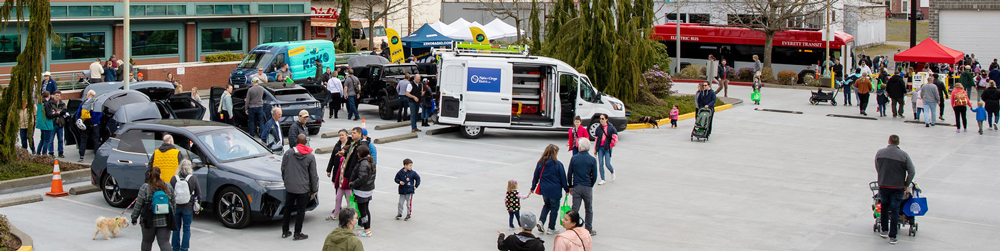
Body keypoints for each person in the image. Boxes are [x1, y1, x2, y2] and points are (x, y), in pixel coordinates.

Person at [875, 135, 915, 245]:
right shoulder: (904, 155)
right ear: (898, 143)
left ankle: (884, 230)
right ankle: (893, 236)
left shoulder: (880, 153)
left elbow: (878, 167)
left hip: (883, 184)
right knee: (895, 210)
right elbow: (912, 171)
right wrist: (906, 184)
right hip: (897, 187)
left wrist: (882, 176)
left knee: (884, 206)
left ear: (888, 141)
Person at [280, 134, 318, 241]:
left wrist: (286, 182)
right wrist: (314, 189)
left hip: (290, 187)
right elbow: (313, 175)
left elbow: (283, 169)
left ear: (297, 141)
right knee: (301, 211)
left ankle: (285, 230)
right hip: (303, 188)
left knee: (287, 208)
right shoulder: (310, 156)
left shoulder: (288, 153)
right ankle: (297, 233)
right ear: (305, 142)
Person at [130, 167, 176, 251]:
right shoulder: (168, 186)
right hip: (165, 220)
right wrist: (172, 216)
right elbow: (173, 203)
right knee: (164, 242)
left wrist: (134, 218)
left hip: (148, 220)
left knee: (147, 242)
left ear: (149, 175)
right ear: (160, 175)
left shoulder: (145, 188)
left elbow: (138, 204)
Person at [529, 144, 568, 235]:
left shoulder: (540, 163)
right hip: (555, 190)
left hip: (544, 190)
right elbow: (563, 178)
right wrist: (566, 189)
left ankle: (541, 221)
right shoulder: (558, 164)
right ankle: (551, 227)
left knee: (546, 205)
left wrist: (532, 188)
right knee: (554, 208)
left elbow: (535, 177)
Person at [170, 160, 202, 251]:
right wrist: (198, 207)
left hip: (176, 207)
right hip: (188, 207)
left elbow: (170, 193)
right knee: (186, 229)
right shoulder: (193, 178)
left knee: (176, 228)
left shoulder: (174, 178)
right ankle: (184, 248)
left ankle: (175, 248)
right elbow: (198, 194)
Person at [567, 138, 598, 235]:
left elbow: (569, 173)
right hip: (587, 186)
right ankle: (588, 228)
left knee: (575, 208)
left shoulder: (574, 158)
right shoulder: (592, 160)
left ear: (580, 147)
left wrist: (570, 186)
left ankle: (573, 228)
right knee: (588, 209)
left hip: (577, 186)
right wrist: (590, 185)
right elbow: (595, 175)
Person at [349, 145, 376, 237]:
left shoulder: (363, 164)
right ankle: (367, 228)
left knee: (363, 211)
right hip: (368, 189)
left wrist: (353, 183)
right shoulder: (370, 162)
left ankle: (367, 230)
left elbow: (362, 178)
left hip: (362, 190)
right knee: (366, 209)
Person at [326, 129, 352, 220]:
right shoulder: (337, 145)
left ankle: (351, 213)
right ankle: (337, 211)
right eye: (339, 135)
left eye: (342, 135)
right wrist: (329, 169)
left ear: (347, 135)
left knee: (349, 197)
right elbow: (332, 158)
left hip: (347, 178)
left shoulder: (351, 145)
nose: (341, 137)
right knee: (338, 195)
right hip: (338, 174)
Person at [76, 90, 102, 162]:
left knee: (83, 140)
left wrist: (80, 121)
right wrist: (93, 121)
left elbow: (78, 114)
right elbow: (99, 114)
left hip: (85, 124)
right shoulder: (97, 103)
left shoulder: (83, 103)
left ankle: (81, 156)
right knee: (96, 140)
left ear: (88, 95)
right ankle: (96, 156)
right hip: (95, 125)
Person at [593, 114, 617, 185]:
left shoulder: (611, 128)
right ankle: (602, 179)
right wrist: (595, 149)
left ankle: (612, 171)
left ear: (606, 119)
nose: (601, 120)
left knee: (607, 163)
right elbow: (597, 139)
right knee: (600, 163)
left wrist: (611, 145)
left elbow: (615, 138)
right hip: (600, 148)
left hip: (607, 148)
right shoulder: (598, 128)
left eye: (603, 119)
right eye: (600, 119)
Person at [35, 91, 55, 156]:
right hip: (47, 125)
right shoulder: (47, 103)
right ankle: (44, 154)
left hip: (42, 125)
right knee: (47, 141)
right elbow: (49, 115)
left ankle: (38, 153)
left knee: (42, 140)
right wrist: (56, 114)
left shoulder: (39, 104)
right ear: (48, 96)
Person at [51, 91, 68, 158]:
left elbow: (64, 110)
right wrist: (58, 111)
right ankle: (51, 153)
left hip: (60, 123)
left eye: (58, 95)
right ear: (53, 96)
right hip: (53, 123)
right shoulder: (51, 103)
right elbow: (51, 111)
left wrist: (58, 112)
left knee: (60, 139)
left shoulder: (62, 103)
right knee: (51, 139)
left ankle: (60, 152)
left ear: (60, 96)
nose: (57, 96)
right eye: (56, 95)